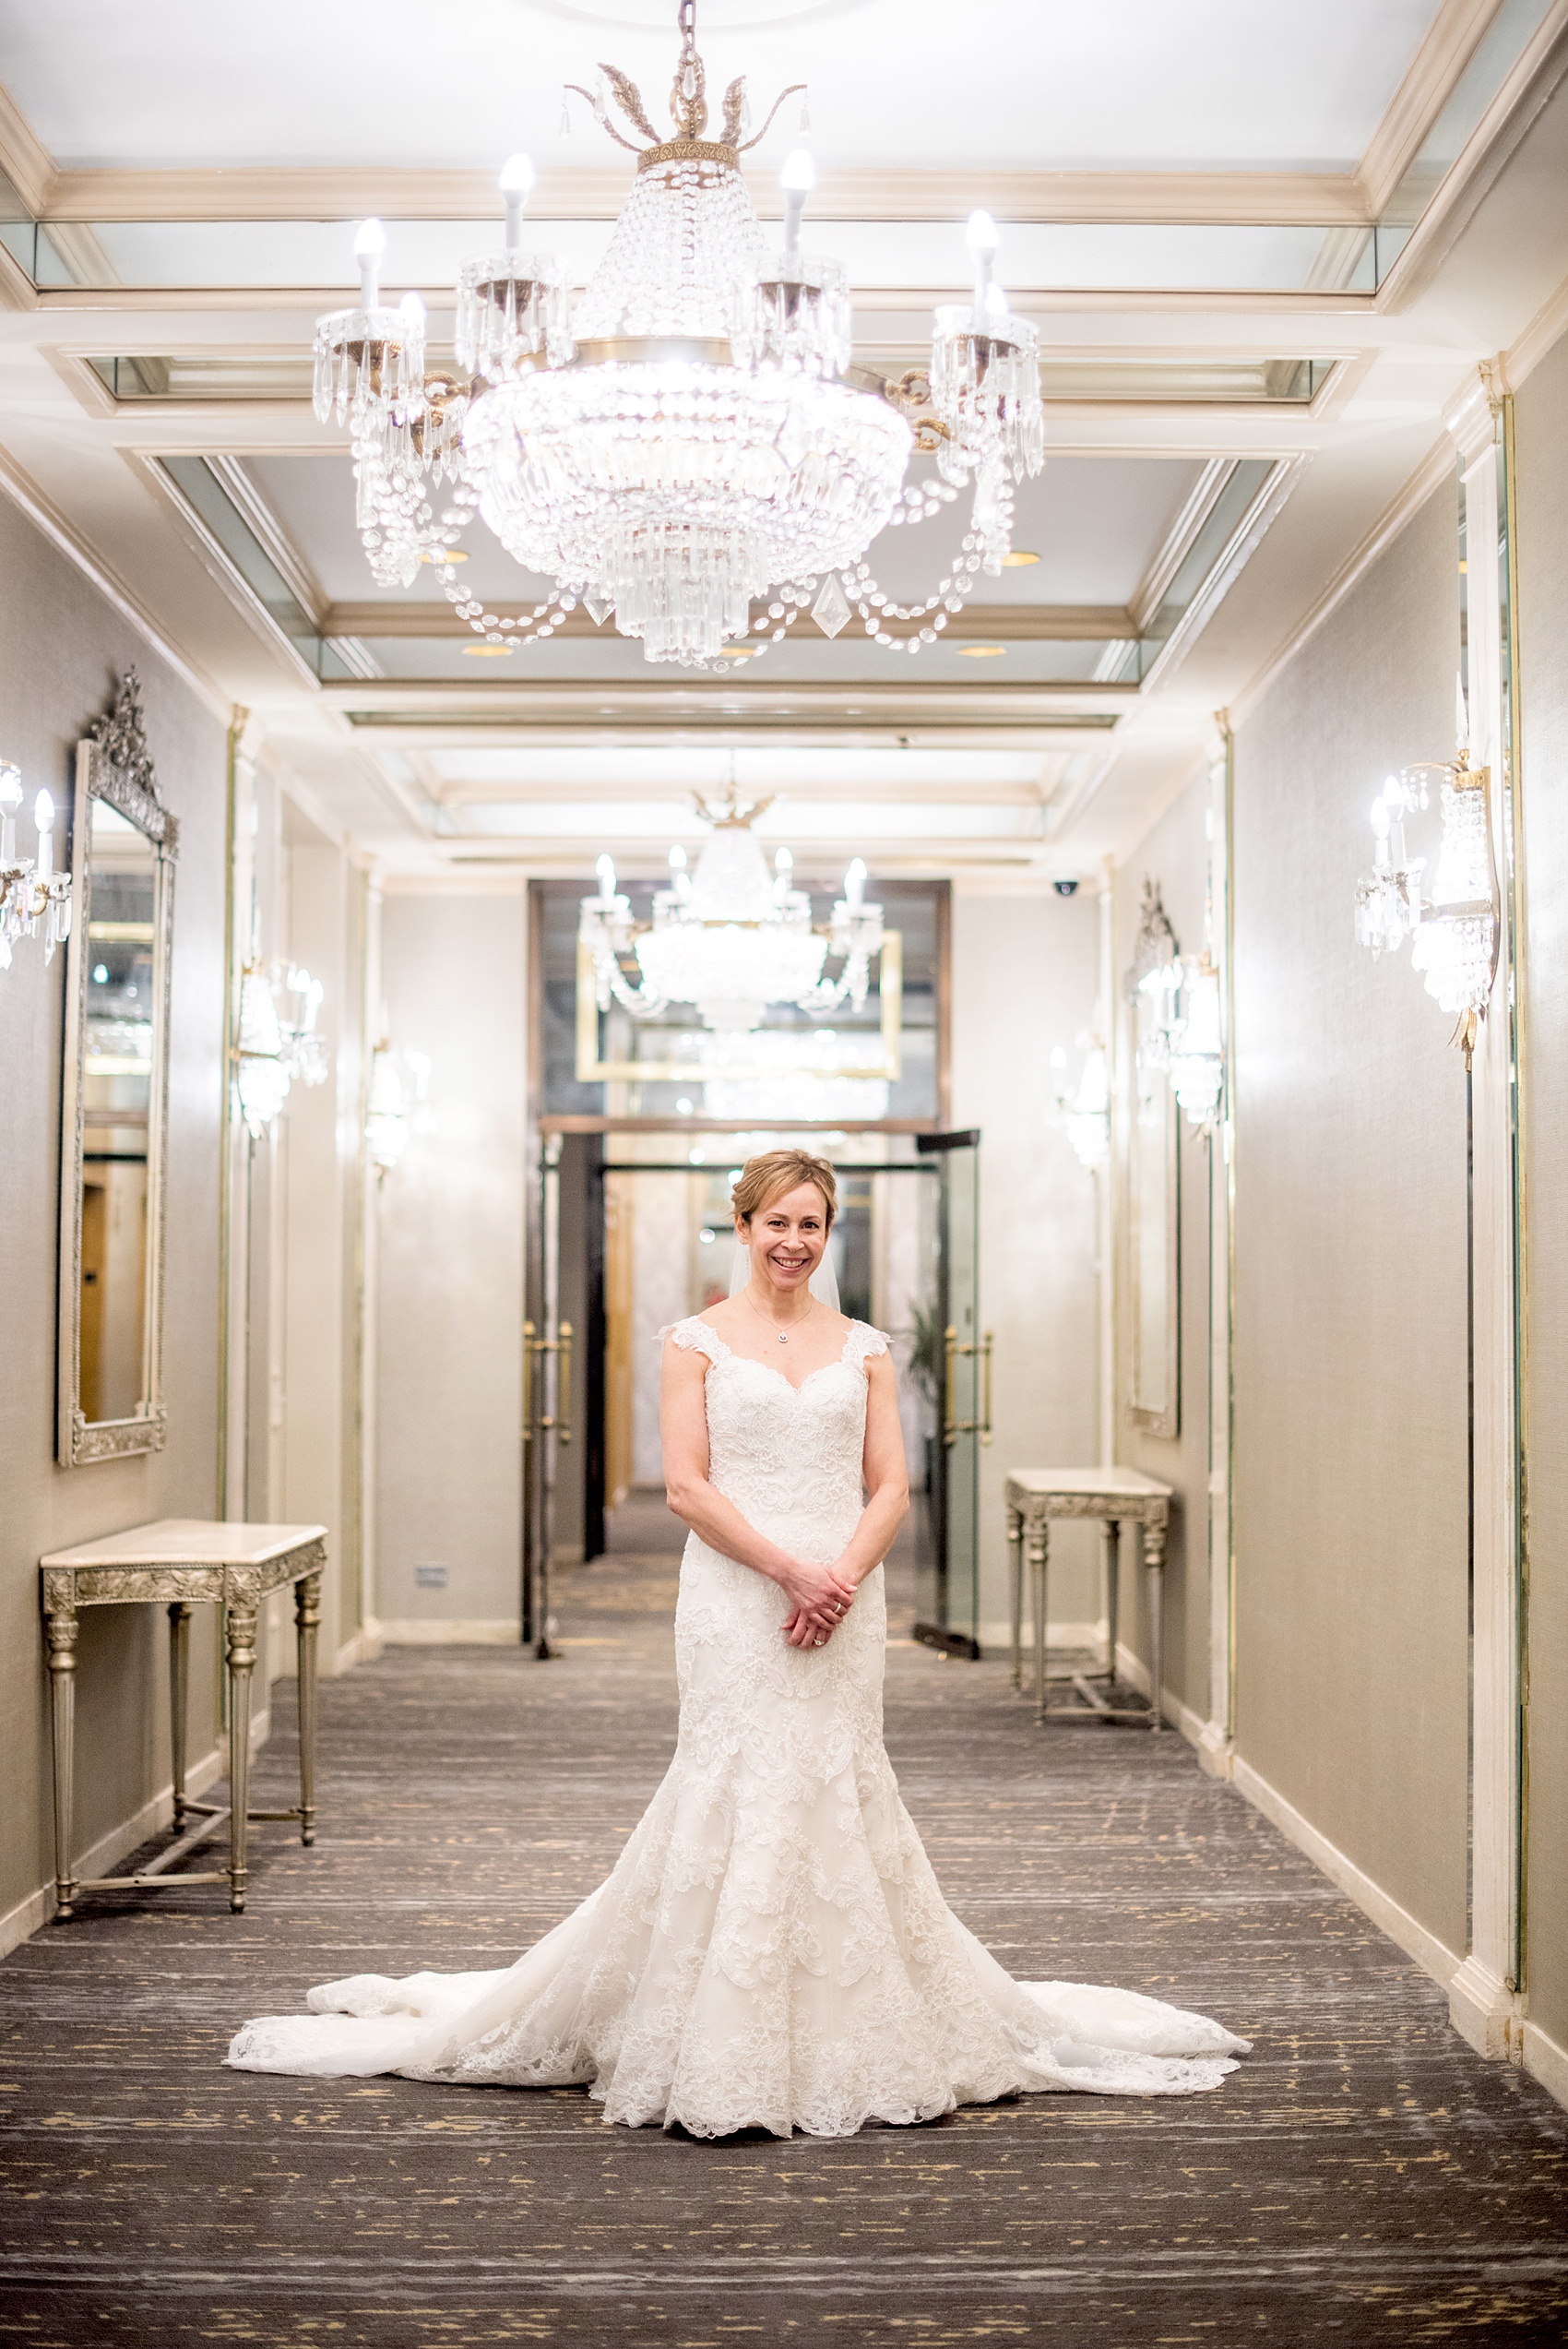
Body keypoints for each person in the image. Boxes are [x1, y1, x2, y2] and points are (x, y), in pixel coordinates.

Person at [228, 1148, 1248, 2136]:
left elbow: (890, 1481)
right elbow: (685, 1485)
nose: (793, 1241)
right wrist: (788, 1570)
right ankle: (718, 2033)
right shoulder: (695, 1341)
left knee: (835, 1780)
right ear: (743, 1225)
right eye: (777, 1223)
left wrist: (838, 1573)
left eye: (811, 1224)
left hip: (844, 1598)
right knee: (737, 1779)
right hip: (734, 1598)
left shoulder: (866, 1347)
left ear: (826, 1231)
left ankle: (848, 2024)